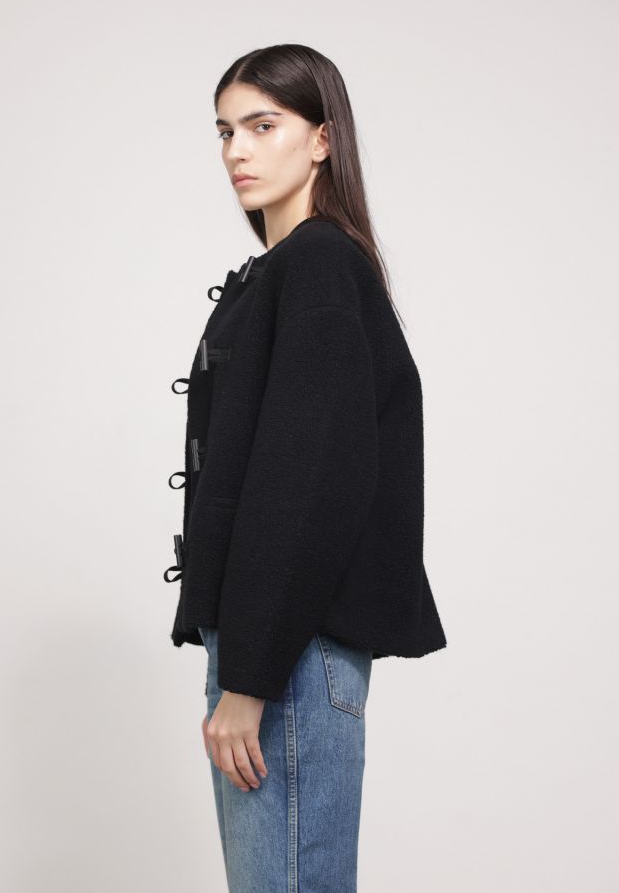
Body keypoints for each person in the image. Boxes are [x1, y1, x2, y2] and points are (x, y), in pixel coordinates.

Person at [165, 44, 448, 893]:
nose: (237, 151)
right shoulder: (288, 271)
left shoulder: (318, 264)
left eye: (263, 126)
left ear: (323, 139)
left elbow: (311, 479)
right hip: (274, 641)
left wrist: (249, 679)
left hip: (285, 651)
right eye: (225, 131)